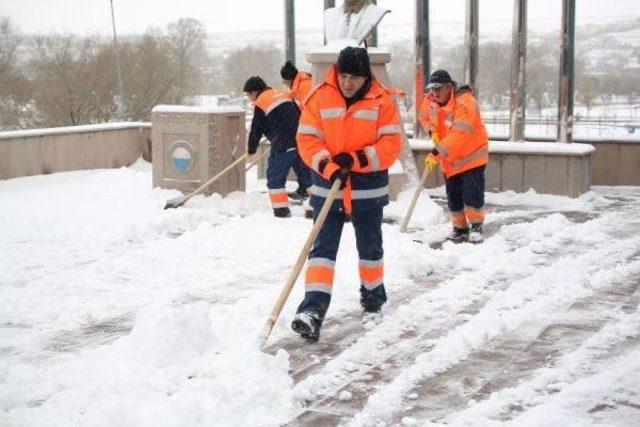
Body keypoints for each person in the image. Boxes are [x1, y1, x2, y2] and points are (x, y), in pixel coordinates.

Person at [291, 46, 402, 341]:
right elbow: (307, 140)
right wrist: (328, 166)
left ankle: (373, 303)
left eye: (355, 76)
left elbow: (391, 144)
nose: (348, 82)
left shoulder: (382, 101)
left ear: (366, 76)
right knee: (322, 253)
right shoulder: (318, 97)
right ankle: (312, 311)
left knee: (370, 250)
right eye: (343, 75)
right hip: (328, 190)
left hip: (367, 190)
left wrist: (355, 159)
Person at [419, 69, 489, 243]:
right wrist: (432, 132)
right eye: (432, 90)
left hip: (471, 157)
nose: (434, 94)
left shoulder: (465, 102)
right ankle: (459, 228)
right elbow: (424, 117)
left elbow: (459, 134)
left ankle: (476, 227)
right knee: (453, 196)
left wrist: (436, 152)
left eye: (438, 89)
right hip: (450, 159)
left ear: (449, 87)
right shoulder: (430, 101)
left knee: (472, 194)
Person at [243, 76, 311, 218]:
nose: (249, 98)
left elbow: (256, 128)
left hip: (282, 145)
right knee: (307, 176)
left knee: (275, 177)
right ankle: (319, 205)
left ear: (254, 92)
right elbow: (300, 114)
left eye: (249, 95)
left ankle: (281, 211)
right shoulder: (284, 95)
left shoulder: (261, 102)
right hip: (300, 142)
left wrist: (251, 149)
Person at [280, 60, 314, 200]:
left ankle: (308, 189)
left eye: (284, 81)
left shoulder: (304, 86)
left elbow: (309, 108)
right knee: (302, 159)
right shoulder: (299, 85)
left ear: (289, 79)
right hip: (306, 126)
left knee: (306, 159)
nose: (284, 84)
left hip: (311, 127)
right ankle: (304, 187)